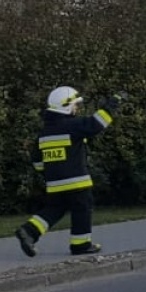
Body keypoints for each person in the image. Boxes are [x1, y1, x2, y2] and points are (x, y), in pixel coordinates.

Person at [14, 86, 122, 257]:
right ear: (66, 106)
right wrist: (112, 104)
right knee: (82, 209)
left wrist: (48, 173)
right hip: (77, 181)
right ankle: (81, 245)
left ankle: (29, 231)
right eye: (75, 105)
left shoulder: (44, 133)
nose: (77, 109)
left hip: (54, 184)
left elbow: (36, 160)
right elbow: (96, 124)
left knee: (55, 209)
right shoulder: (73, 125)